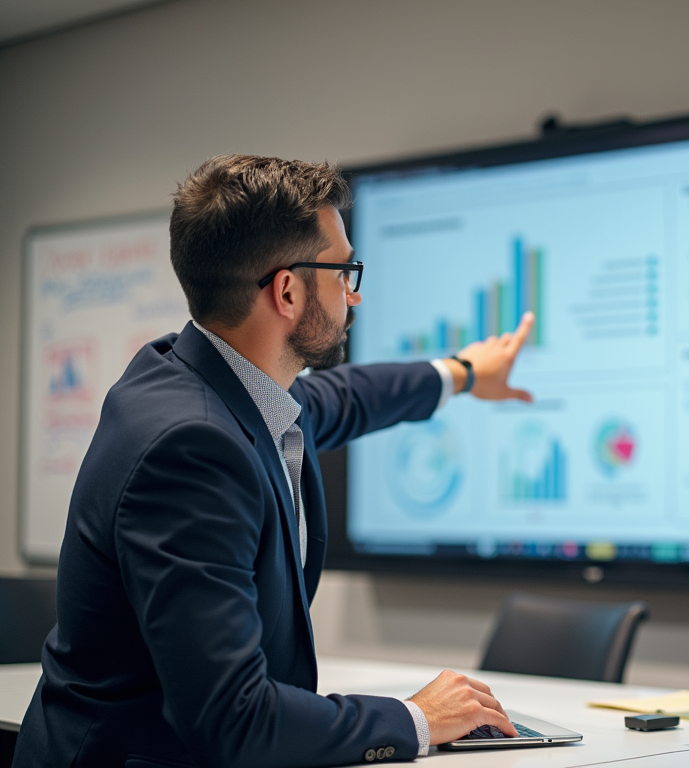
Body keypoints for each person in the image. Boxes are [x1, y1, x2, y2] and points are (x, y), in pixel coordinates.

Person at [14, 155, 535, 768]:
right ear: (287, 290)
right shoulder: (192, 449)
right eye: (344, 272)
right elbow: (234, 720)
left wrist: (465, 373)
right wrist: (418, 718)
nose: (355, 293)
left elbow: (344, 399)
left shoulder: (208, 382)